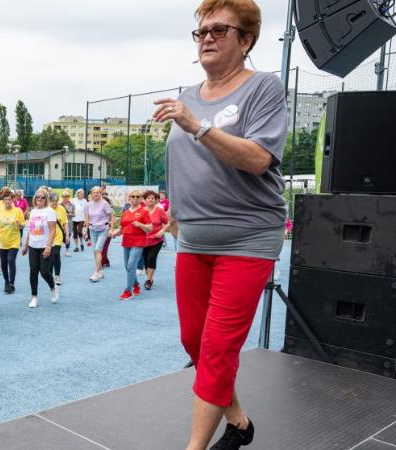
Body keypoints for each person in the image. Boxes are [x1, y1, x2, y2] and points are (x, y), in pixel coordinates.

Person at [153, 1, 287, 447]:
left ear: (246, 40)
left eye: (220, 30)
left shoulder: (264, 88)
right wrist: (173, 213)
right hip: (193, 237)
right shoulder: (187, 94)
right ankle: (240, 421)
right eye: (202, 31)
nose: (207, 38)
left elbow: (257, 159)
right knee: (194, 341)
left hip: (248, 238)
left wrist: (198, 125)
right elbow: (183, 162)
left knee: (217, 349)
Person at [110, 189, 153, 300]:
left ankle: (128, 291)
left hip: (138, 242)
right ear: (129, 198)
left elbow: (150, 228)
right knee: (127, 267)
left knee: (130, 266)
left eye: (137, 196)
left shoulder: (144, 212)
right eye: (133, 196)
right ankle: (136, 285)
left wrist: (140, 225)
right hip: (126, 242)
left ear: (140, 199)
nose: (135, 198)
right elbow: (121, 228)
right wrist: (115, 233)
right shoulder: (125, 212)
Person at [21, 188, 58, 308]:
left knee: (45, 272)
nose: (40, 199)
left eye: (42, 197)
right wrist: (26, 245)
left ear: (46, 199)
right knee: (33, 272)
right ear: (35, 199)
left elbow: (53, 230)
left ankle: (53, 287)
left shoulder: (50, 211)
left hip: (45, 246)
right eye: (38, 197)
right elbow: (30, 230)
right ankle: (34, 297)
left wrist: (48, 246)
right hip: (33, 246)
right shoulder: (33, 212)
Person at [0, 188, 25, 294]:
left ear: (13, 200)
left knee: (11, 260)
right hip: (2, 241)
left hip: (14, 240)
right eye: (6, 199)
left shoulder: (18, 211)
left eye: (9, 199)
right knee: (3, 263)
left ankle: (12, 283)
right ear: (3, 200)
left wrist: (19, 224)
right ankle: (6, 282)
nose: (8, 201)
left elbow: (23, 226)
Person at [140, 190, 170, 290]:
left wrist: (162, 231)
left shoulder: (159, 210)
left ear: (156, 200)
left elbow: (167, 223)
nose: (150, 200)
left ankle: (149, 280)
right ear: (144, 200)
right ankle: (150, 278)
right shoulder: (141, 211)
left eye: (153, 198)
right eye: (148, 198)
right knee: (145, 260)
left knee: (151, 257)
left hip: (157, 240)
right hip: (144, 240)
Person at [84, 186, 114, 282]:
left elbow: (112, 216)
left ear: (100, 193)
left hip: (103, 229)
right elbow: (87, 217)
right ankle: (100, 270)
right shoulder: (88, 205)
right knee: (95, 252)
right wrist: (85, 229)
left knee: (97, 250)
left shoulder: (105, 204)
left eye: (98, 192)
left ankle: (96, 273)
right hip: (92, 229)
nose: (96, 194)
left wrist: (111, 229)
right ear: (91, 194)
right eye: (94, 192)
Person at [49, 193, 68, 284]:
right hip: (48, 237)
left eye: (56, 201)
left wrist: (67, 234)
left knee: (55, 254)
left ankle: (57, 276)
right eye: (53, 201)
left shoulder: (61, 209)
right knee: (50, 256)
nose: (55, 203)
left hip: (58, 236)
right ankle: (50, 275)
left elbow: (65, 223)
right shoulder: (46, 210)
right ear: (49, 201)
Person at [60, 191, 74, 256]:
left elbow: (74, 214)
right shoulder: (59, 205)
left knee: (68, 236)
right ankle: (58, 251)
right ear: (62, 197)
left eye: (67, 196)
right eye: (64, 196)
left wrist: (70, 214)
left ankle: (67, 251)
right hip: (61, 224)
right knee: (60, 237)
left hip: (69, 223)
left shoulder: (72, 205)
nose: (66, 198)